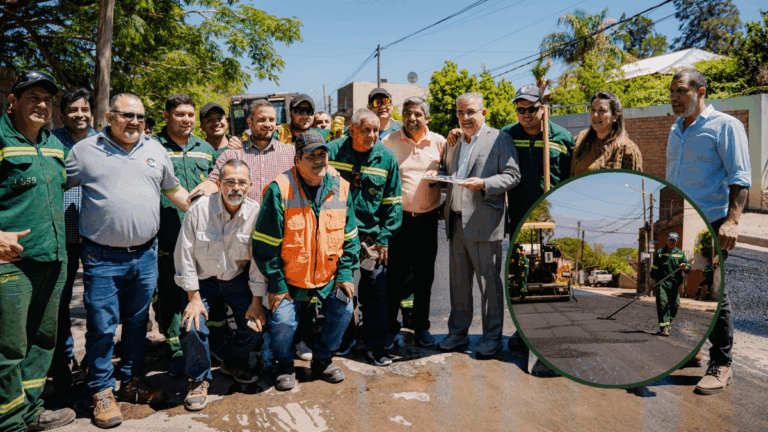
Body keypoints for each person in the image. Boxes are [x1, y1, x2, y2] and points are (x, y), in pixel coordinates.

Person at [65, 93, 191, 428]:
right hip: (102, 256)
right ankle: (102, 391)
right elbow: (55, 187)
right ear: (109, 116)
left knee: (138, 324)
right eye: (127, 115)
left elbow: (174, 190)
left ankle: (132, 381)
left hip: (145, 255)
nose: (134, 122)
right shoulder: (84, 152)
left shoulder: (155, 150)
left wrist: (207, 212)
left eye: (140, 117)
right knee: (103, 326)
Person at [665, 68, 751, 395]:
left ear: (702, 92)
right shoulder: (676, 128)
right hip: (681, 221)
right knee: (685, 287)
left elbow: (740, 177)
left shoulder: (726, 126)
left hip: (711, 221)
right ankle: (694, 349)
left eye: (682, 91)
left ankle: (723, 364)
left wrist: (732, 221)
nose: (675, 97)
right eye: (672, 91)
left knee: (713, 293)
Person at [252, 130, 360, 391]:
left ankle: (322, 360)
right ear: (297, 159)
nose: (318, 161)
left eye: (322, 155)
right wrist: (277, 284)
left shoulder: (340, 188)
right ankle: (285, 364)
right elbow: (264, 245)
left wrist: (344, 274)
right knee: (284, 321)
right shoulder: (280, 189)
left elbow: (351, 238)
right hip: (288, 278)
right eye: (311, 155)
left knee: (344, 309)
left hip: (328, 276)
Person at [0, 71, 76, 432]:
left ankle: (30, 411)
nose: (42, 105)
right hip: (11, 264)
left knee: (42, 342)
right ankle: (9, 422)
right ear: (12, 103)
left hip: (53, 260)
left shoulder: (54, 145)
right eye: (32, 98)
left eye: (46, 99)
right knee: (8, 350)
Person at [175, 159, 268, 411]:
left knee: (255, 323)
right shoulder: (198, 210)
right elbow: (184, 255)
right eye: (229, 182)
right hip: (202, 282)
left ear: (250, 186)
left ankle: (233, 363)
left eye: (241, 182)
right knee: (192, 326)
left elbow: (259, 262)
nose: (235, 187)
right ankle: (198, 379)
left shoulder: (255, 212)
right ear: (218, 184)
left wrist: (257, 301)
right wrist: (193, 297)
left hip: (236, 279)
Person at [152, 93, 231, 378]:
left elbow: (219, 184)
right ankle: (176, 350)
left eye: (189, 115)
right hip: (167, 235)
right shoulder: (151, 147)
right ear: (166, 116)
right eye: (179, 114)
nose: (185, 120)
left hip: (205, 239)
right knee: (172, 296)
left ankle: (216, 342)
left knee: (210, 292)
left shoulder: (205, 150)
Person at [436, 92, 520, 358]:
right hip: (457, 221)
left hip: (485, 222)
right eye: (460, 113)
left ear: (484, 113)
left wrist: (484, 184)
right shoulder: (455, 140)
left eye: (470, 112)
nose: (465, 118)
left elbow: (512, 175)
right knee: (458, 285)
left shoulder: (499, 138)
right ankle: (458, 334)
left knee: (489, 287)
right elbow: (446, 170)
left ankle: (491, 338)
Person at [328, 109, 402, 366]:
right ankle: (343, 338)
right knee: (339, 287)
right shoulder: (331, 152)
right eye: (366, 130)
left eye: (375, 130)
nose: (372, 135)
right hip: (336, 235)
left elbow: (393, 202)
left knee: (375, 289)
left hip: (371, 238)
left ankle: (376, 344)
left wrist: (384, 237)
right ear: (352, 130)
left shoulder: (386, 157)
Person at [382, 97, 445, 347]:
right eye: (408, 113)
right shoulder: (389, 142)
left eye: (418, 114)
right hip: (399, 221)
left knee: (424, 277)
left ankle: (421, 327)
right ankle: (389, 327)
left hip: (428, 221)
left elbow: (451, 172)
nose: (412, 118)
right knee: (393, 277)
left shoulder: (440, 142)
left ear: (427, 118)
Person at [50, 88, 98, 404]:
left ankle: (95, 360)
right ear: (63, 112)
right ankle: (64, 360)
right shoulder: (50, 142)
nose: (79, 114)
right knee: (60, 303)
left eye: (84, 109)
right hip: (62, 236)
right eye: (73, 110)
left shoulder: (104, 142)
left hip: (97, 236)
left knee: (98, 302)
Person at [191, 99, 296, 203]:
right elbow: (213, 181)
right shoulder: (232, 155)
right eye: (262, 120)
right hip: (244, 219)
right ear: (250, 123)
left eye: (271, 120)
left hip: (280, 218)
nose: (268, 124)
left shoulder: (291, 153)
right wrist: (201, 192)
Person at [570, 90, 642, 175]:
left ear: (615, 116)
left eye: (602, 110)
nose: (595, 115)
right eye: (593, 109)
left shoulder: (628, 150)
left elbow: (634, 186)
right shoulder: (580, 138)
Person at [650, 232, 690, 337]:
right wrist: (652, 281)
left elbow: (688, 267)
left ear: (676, 241)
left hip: (674, 284)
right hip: (661, 282)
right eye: (670, 240)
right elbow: (654, 268)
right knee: (662, 304)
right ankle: (664, 328)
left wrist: (684, 267)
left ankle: (668, 321)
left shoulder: (680, 254)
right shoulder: (660, 252)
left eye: (674, 240)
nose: (671, 242)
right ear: (667, 240)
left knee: (675, 305)